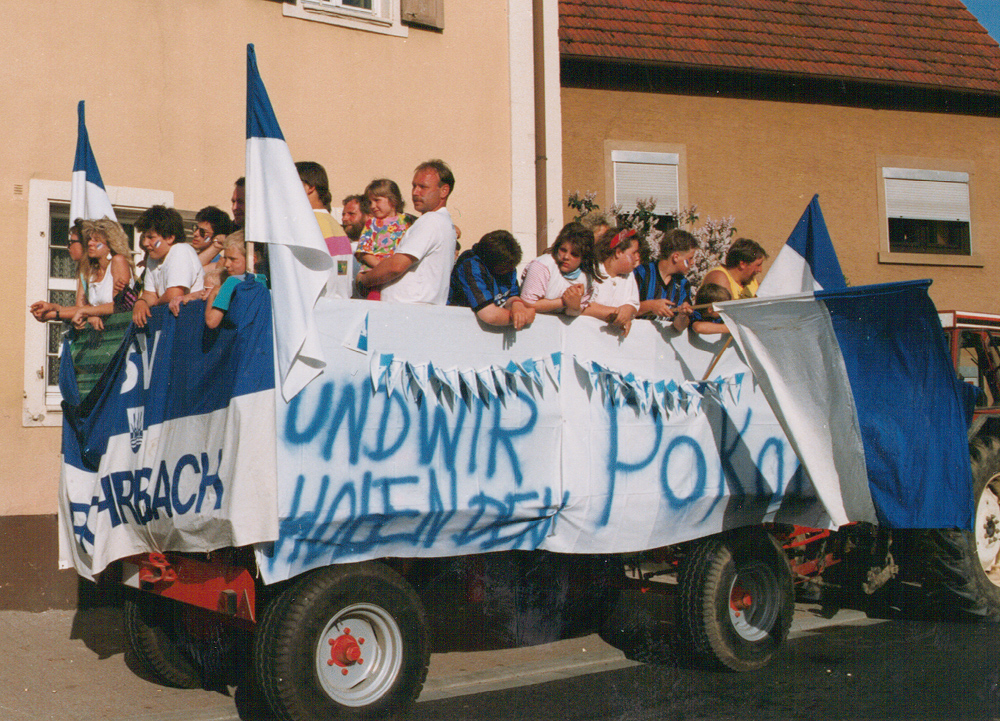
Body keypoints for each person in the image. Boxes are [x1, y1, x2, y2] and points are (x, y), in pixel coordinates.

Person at [357, 159, 457, 305]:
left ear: (444, 191)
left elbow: (396, 266)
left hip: (408, 308)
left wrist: (364, 280)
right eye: (414, 186)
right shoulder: (439, 221)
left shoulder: (431, 220)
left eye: (423, 187)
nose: (415, 192)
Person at [132, 205, 205, 329]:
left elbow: (174, 294)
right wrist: (141, 303)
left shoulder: (180, 250)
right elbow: (150, 294)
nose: (145, 243)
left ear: (170, 237)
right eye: (144, 237)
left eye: (151, 237)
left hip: (190, 323)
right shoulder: (152, 258)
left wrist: (153, 304)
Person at [449, 230, 534, 329]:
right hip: (458, 325)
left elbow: (512, 295)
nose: (510, 271)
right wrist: (523, 318)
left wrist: (517, 305)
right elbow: (489, 315)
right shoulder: (470, 265)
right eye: (504, 268)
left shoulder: (508, 265)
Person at [296, 161, 353, 299]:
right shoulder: (333, 224)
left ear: (309, 188)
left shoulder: (309, 224)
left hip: (316, 307)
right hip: (336, 307)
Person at [518, 222, 595, 316]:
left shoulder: (586, 278)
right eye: (563, 250)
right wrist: (563, 301)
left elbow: (576, 312)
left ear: (583, 258)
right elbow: (528, 304)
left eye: (574, 254)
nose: (566, 257)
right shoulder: (542, 265)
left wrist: (574, 306)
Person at [355, 178, 411, 300]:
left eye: (377, 200)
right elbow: (365, 252)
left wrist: (454, 228)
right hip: (374, 271)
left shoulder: (407, 221)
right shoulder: (372, 223)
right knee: (375, 301)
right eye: (370, 202)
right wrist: (381, 267)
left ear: (393, 200)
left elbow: (425, 224)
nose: (373, 206)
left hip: (397, 271)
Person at [634, 228, 698, 332]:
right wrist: (651, 306)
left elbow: (680, 327)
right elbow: (620, 308)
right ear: (676, 257)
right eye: (690, 258)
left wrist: (682, 316)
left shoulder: (683, 284)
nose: (693, 263)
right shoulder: (641, 273)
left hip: (660, 345)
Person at [582, 227, 642, 337]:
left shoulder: (629, 276)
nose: (638, 258)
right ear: (618, 252)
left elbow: (634, 304)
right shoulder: (592, 271)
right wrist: (616, 313)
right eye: (634, 253)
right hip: (587, 337)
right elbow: (582, 306)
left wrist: (628, 310)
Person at [29, 219, 89, 324]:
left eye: (71, 242)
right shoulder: (83, 270)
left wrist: (54, 314)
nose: (68, 246)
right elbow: (80, 308)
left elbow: (90, 310)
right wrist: (52, 307)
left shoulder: (98, 269)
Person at [204, 231, 268, 329]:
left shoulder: (231, 282)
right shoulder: (263, 280)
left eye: (233, 259)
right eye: (225, 258)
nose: (226, 264)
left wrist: (213, 293)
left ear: (252, 260)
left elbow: (212, 322)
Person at [702, 238, 768, 300]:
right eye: (758, 265)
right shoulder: (719, 276)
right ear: (742, 264)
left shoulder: (752, 282)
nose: (760, 270)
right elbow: (728, 310)